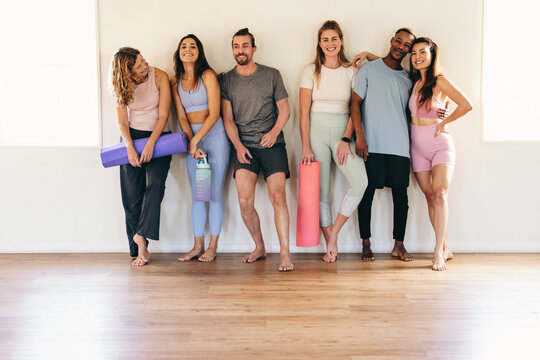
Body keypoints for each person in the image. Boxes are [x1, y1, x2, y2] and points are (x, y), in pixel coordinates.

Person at [220, 28, 293, 271]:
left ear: (253, 48)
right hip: (245, 148)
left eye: (244, 45)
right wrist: (238, 146)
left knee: (278, 196)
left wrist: (273, 134)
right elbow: (228, 120)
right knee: (243, 201)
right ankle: (260, 247)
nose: (240, 50)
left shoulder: (272, 74)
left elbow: (285, 111)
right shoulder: (227, 80)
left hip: (273, 146)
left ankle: (285, 254)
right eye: (236, 46)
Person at [299, 20, 368, 262]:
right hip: (316, 131)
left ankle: (334, 232)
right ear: (319, 43)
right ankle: (329, 238)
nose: (330, 44)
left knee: (360, 181)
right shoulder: (310, 71)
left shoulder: (352, 71)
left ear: (341, 41)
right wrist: (305, 145)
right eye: (325, 39)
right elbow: (303, 112)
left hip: (342, 132)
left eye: (334, 39)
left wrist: (345, 139)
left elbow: (355, 109)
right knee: (322, 190)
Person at [349, 28, 416, 262]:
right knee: (366, 194)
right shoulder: (369, 69)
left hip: (399, 145)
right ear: (391, 40)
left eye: (407, 45)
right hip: (372, 144)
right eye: (399, 41)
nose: (401, 46)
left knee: (401, 197)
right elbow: (355, 103)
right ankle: (365, 243)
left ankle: (399, 245)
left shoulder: (408, 78)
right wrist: (360, 136)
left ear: (409, 50)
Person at [407, 37, 472, 270]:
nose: (417, 57)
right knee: (429, 196)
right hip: (417, 147)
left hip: (440, 144)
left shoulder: (440, 82)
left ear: (433, 55)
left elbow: (466, 105)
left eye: (422, 52)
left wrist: (446, 122)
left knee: (440, 194)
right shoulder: (413, 82)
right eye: (414, 53)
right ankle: (445, 245)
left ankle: (438, 252)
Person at [171, 35, 231, 262]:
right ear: (179, 52)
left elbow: (215, 113)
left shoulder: (208, 75)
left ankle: (213, 246)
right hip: (192, 142)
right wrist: (191, 143)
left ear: (199, 52)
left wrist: (196, 141)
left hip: (214, 138)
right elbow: (182, 118)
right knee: (198, 195)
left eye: (193, 46)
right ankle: (197, 246)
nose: (188, 49)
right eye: (184, 46)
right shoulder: (175, 82)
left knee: (214, 194)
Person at [110, 47, 172, 266]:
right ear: (127, 72)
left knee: (156, 186)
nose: (144, 66)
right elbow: (122, 122)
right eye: (138, 65)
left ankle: (141, 235)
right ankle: (138, 250)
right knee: (132, 196)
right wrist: (129, 147)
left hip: (159, 137)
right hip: (132, 138)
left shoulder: (160, 76)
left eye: (143, 60)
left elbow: (164, 115)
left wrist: (151, 144)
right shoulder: (121, 86)